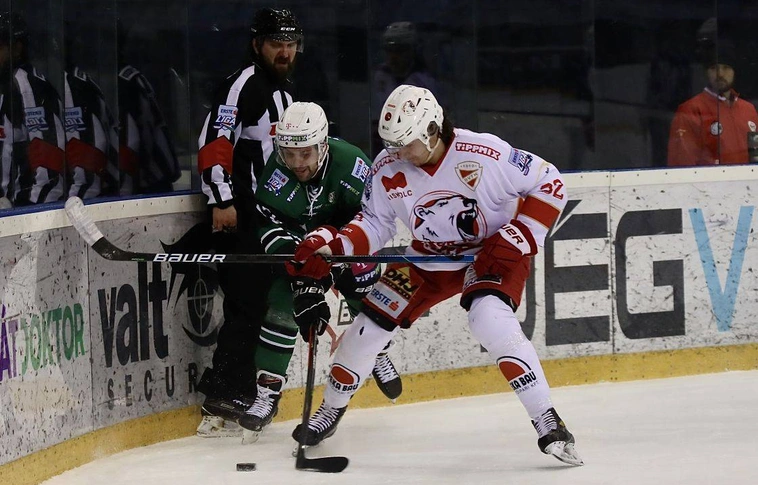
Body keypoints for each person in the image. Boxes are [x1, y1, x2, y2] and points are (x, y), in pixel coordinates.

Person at [288, 85, 583, 466]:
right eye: (391, 144)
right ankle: (330, 409)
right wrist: (333, 249)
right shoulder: (388, 166)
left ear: (431, 130)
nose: (397, 153)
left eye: (404, 143)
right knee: (367, 329)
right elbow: (375, 223)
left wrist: (520, 235)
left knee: (490, 321)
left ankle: (548, 420)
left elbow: (550, 182)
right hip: (427, 259)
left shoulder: (484, 153)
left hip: (491, 255)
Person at [236, 101, 402, 440]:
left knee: (364, 288)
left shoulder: (353, 165)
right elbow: (268, 225)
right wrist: (299, 270)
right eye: (289, 153)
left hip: (346, 242)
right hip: (302, 248)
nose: (297, 163)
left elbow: (373, 219)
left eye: (305, 153)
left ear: (323, 145)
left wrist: (334, 250)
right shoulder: (276, 170)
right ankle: (267, 390)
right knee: (282, 303)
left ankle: (377, 349)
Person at [194, 7, 303, 438]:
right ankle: (224, 395)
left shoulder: (286, 94)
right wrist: (221, 199)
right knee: (246, 305)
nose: (285, 51)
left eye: (291, 43)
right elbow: (215, 142)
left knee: (263, 304)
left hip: (273, 221)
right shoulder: (244, 85)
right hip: (242, 218)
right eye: (277, 43)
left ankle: (239, 393)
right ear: (257, 44)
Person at [0, 12, 65, 206]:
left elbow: (48, 171)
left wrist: (26, 213)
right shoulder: (6, 85)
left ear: (17, 48)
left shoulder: (28, 86)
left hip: (19, 211)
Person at [667, 40, 758, 166]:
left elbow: (755, 156)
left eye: (726, 68)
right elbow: (682, 164)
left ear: (734, 71)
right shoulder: (691, 109)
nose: (720, 74)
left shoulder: (748, 109)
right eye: (714, 68)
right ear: (706, 72)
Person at [371, 21, 438, 156]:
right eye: (389, 50)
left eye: (400, 50)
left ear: (412, 51)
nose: (393, 56)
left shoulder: (424, 80)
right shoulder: (381, 76)